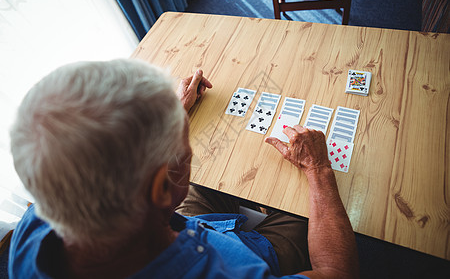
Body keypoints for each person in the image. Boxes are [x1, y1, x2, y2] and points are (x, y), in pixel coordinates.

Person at [9, 59, 359, 278]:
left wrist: (165, 114)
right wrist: (319, 169)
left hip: (177, 226)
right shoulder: (239, 272)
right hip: (243, 248)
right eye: (184, 148)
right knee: (300, 212)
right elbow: (339, 273)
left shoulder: (36, 222)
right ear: (160, 190)